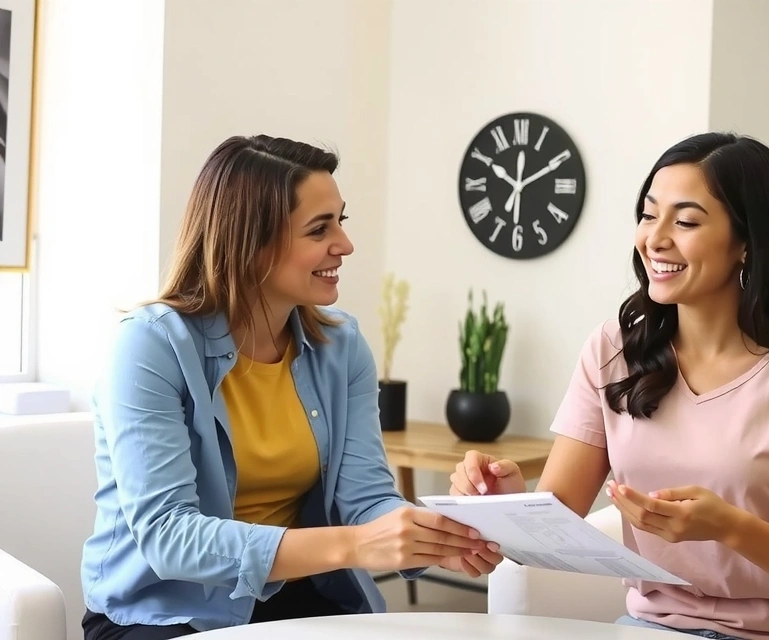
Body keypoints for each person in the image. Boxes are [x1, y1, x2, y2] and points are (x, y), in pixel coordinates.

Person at [450, 132, 769, 640]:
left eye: (685, 221)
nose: (655, 239)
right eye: (648, 215)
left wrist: (732, 528)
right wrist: (506, 504)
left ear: (748, 242)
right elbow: (554, 519)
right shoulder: (613, 349)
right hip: (651, 628)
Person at [81, 135, 502, 640]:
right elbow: (169, 536)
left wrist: (442, 536)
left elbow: (367, 499)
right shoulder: (150, 346)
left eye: (340, 222)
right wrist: (353, 545)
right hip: (165, 612)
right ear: (250, 241)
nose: (344, 245)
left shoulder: (342, 346)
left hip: (298, 596)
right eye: (318, 229)